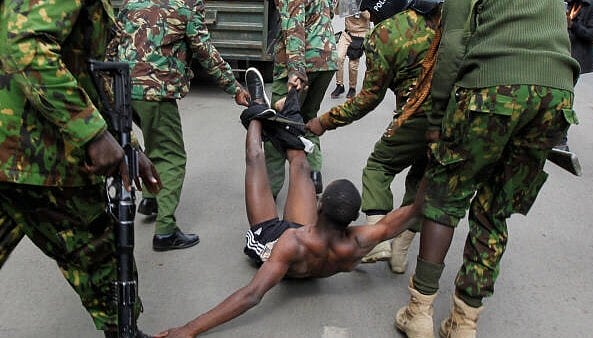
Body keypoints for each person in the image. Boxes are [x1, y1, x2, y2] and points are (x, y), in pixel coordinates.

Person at [153, 68, 417, 338]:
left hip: (270, 244)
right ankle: (292, 94)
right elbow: (409, 213)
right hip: (306, 234)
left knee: (255, 160)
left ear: (321, 205)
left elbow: (252, 295)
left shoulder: (292, 243)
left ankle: (257, 109)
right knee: (300, 163)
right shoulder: (361, 240)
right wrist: (444, 166)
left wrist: (189, 329)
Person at [393, 0, 580, 337]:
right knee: (495, 209)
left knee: (445, 197)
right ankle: (464, 323)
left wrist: (437, 118)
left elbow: (452, 47)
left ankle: (418, 312)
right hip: (556, 96)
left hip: (492, 89)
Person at [0, 0, 163, 336]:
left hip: (15, 153)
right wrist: (91, 132)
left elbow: (81, 68)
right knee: (102, 257)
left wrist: (124, 142)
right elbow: (25, 44)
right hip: (35, 156)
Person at [307, 0, 441, 273]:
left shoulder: (386, 33)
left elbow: (367, 99)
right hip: (456, 116)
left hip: (416, 115)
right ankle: (400, 254)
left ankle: (378, 241)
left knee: (378, 167)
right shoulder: (445, 20)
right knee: (420, 179)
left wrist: (324, 121)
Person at [111, 0, 250, 252]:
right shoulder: (185, 5)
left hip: (123, 90)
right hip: (155, 92)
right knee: (172, 156)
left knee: (155, 143)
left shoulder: (133, 2)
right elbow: (205, 51)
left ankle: (151, 201)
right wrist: (234, 87)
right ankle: (165, 231)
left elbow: (112, 43)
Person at [265, 0, 338, 198]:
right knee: (308, 119)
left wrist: (295, 71)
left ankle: (269, 190)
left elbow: (294, 26)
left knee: (276, 125)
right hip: (327, 58)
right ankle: (313, 177)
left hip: (303, 61)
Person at [558, 0, 593, 150]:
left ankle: (561, 140)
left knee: (565, 97)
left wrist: (572, 24)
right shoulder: (565, 3)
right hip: (557, 56)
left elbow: (591, 34)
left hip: (575, 61)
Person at [330, 8, 371, 99]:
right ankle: (339, 85)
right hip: (347, 33)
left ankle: (352, 88)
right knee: (338, 58)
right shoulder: (348, 2)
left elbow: (369, 16)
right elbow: (337, 11)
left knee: (353, 65)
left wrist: (358, 7)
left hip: (360, 35)